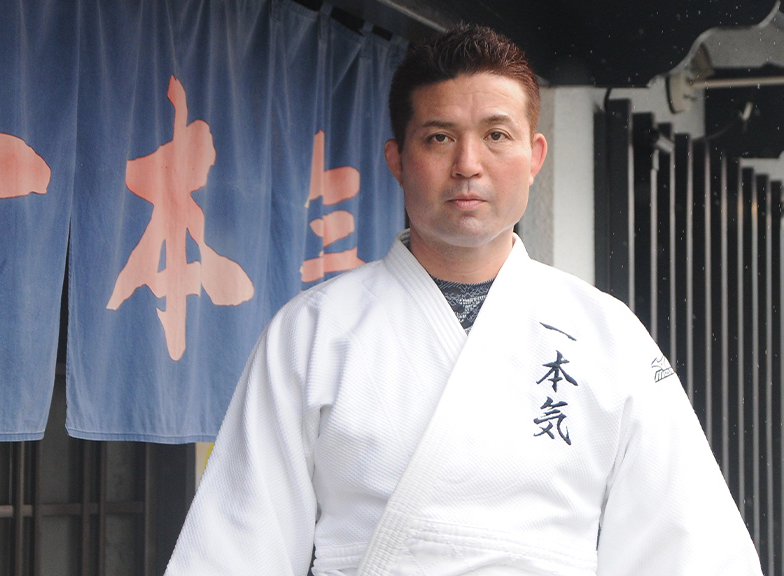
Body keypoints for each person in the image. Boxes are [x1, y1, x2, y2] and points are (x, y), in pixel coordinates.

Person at [165, 25, 762, 576]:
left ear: (535, 157)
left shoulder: (608, 334)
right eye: (439, 137)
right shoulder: (311, 334)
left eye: (496, 136)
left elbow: (688, 547)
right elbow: (236, 547)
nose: (468, 165)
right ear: (397, 160)